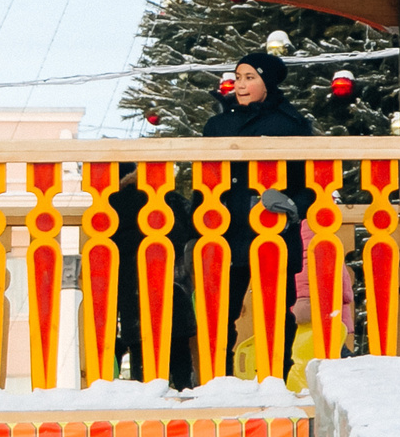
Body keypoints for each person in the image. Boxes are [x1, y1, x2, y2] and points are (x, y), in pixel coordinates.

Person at [135, 49, 316, 384]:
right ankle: (220, 380)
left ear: (268, 82)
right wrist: (198, 222)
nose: (241, 84)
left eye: (250, 77)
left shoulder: (292, 124)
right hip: (223, 231)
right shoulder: (218, 124)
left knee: (276, 311)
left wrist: (291, 204)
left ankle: (275, 379)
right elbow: (206, 177)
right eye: (239, 77)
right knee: (218, 312)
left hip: (272, 232)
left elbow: (309, 183)